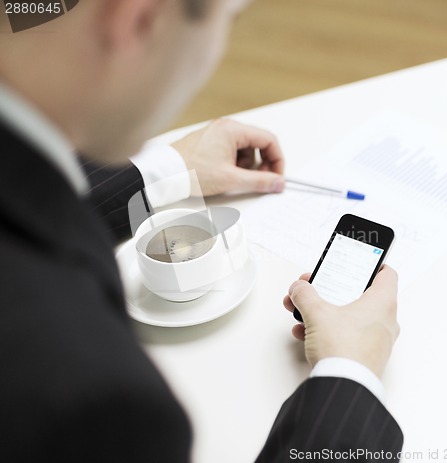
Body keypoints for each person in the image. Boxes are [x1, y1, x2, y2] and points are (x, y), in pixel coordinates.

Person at [0, 0, 403, 461]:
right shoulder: (98, 400)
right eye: (229, 19)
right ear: (138, 18)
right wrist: (349, 374)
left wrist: (171, 168)